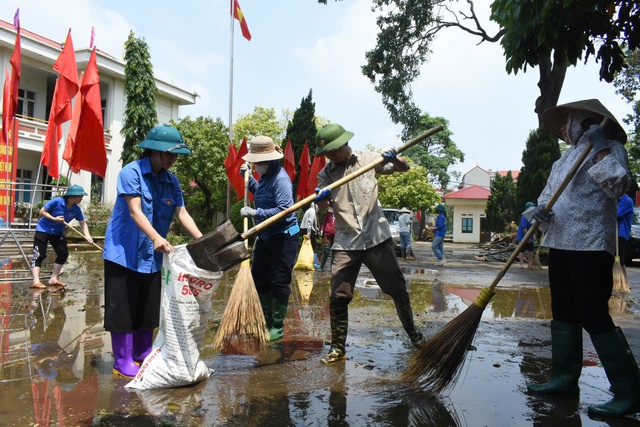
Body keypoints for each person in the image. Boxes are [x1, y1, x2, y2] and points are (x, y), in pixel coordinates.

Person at [526, 99, 640, 417]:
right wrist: (539, 212)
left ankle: (629, 391)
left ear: (585, 121)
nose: (564, 128)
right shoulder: (563, 161)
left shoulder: (611, 148)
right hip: (560, 244)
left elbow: (618, 186)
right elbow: (548, 199)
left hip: (591, 245)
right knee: (563, 313)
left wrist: (600, 148)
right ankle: (563, 379)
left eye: (569, 121)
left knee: (592, 314)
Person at [313, 123, 425, 364]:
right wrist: (321, 199)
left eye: (333, 151)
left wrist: (395, 159)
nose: (330, 156)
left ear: (345, 144)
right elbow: (321, 207)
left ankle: (414, 335)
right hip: (346, 241)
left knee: (397, 289)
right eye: (326, 153)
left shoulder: (369, 159)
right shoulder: (326, 174)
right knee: (338, 296)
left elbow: (403, 168)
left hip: (376, 237)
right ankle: (337, 347)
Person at [102, 125, 203, 379]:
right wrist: (157, 236)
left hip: (153, 256)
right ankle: (122, 359)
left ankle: (142, 352)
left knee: (147, 306)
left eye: (175, 155)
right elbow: (135, 210)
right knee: (123, 307)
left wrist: (203, 240)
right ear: (153, 151)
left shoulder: (171, 182)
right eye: (167, 153)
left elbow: (181, 213)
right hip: (123, 252)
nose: (172, 159)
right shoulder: (131, 173)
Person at [239, 136, 300, 342]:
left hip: (284, 236)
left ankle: (276, 325)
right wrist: (250, 182)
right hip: (266, 235)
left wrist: (255, 213)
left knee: (278, 280)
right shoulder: (264, 176)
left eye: (257, 163)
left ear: (268, 161)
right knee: (260, 278)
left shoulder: (280, 179)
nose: (255, 166)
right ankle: (264, 319)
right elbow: (263, 194)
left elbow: (283, 210)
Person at [30, 185, 93, 290]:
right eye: (81, 196)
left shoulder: (76, 209)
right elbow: (42, 211)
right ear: (73, 196)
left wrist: (88, 236)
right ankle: (36, 281)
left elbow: (82, 223)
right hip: (43, 230)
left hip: (58, 232)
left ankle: (53, 279)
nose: (82, 198)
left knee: (63, 253)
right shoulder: (57, 201)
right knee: (39, 254)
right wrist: (54, 219)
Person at [617, 193, 633, 272]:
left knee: (619, 258)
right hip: (614, 234)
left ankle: (623, 280)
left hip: (620, 234)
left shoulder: (627, 201)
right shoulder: (616, 201)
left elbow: (616, 214)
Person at [516, 202, 536, 268]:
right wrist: (527, 238)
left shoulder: (533, 216)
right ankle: (521, 264)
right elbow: (524, 228)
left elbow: (534, 226)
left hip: (530, 236)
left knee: (530, 250)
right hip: (523, 236)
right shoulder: (524, 216)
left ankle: (529, 264)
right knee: (522, 250)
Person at [300, 203, 320, 267]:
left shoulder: (308, 210)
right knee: (314, 247)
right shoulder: (312, 211)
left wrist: (317, 229)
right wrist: (308, 234)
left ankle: (304, 261)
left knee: (305, 246)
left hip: (304, 229)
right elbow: (310, 222)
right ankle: (313, 263)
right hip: (308, 230)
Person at [317, 207, 335, 272]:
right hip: (328, 232)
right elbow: (324, 221)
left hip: (337, 233)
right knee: (326, 249)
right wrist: (322, 229)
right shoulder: (329, 212)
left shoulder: (340, 212)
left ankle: (332, 267)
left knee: (334, 251)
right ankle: (322, 266)